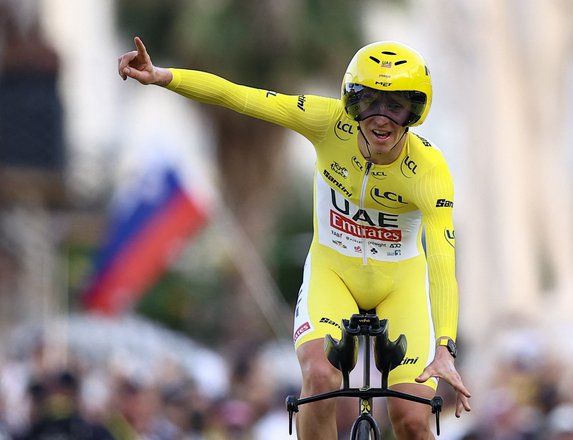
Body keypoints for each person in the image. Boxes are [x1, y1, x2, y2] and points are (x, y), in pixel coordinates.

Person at [118, 36, 471, 439]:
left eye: (396, 105)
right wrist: (164, 76)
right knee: (320, 377)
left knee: (410, 418)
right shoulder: (326, 121)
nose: (381, 118)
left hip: (401, 283)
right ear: (349, 103)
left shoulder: (429, 170)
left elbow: (442, 263)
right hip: (332, 271)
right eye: (368, 102)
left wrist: (445, 348)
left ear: (416, 110)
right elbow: (241, 98)